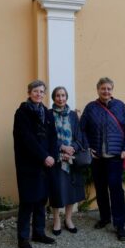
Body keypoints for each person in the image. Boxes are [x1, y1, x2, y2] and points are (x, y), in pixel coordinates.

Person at [80, 77, 125, 241]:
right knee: (101, 189)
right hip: (97, 158)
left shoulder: (120, 106)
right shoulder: (90, 108)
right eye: (103, 88)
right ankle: (104, 218)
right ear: (98, 90)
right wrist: (88, 147)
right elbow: (82, 130)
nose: (106, 91)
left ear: (112, 90)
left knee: (116, 190)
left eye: (108, 88)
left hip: (115, 157)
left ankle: (120, 225)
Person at [13, 80, 58, 248]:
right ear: (29, 92)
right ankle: (23, 239)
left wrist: (52, 156)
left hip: (46, 163)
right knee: (27, 202)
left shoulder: (47, 113)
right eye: (35, 91)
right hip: (29, 164)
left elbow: (53, 136)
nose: (39, 94)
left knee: (41, 200)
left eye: (41, 91)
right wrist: (44, 156)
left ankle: (38, 233)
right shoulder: (22, 112)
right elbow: (27, 139)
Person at [49, 86, 86, 236]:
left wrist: (72, 148)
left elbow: (79, 137)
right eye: (58, 95)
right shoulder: (48, 115)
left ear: (67, 97)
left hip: (72, 159)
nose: (61, 98)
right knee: (57, 190)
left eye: (63, 95)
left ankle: (68, 219)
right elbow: (48, 138)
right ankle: (57, 219)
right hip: (57, 159)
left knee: (72, 190)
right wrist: (62, 148)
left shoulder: (72, 115)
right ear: (53, 97)